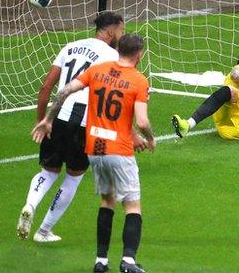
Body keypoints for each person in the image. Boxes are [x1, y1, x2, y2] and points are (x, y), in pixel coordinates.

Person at [32, 34, 155, 273]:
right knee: (132, 206)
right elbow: (141, 121)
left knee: (107, 202)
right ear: (138, 54)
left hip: (95, 148)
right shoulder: (139, 80)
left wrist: (48, 119)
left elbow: (64, 90)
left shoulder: (97, 70)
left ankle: (101, 261)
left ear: (118, 49)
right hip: (119, 150)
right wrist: (150, 138)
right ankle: (128, 261)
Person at [17, 11, 123, 242]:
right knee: (73, 176)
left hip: (57, 116)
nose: (121, 35)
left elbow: (45, 87)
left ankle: (30, 204)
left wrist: (42, 120)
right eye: (121, 30)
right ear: (112, 30)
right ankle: (43, 231)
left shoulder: (70, 47)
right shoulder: (112, 56)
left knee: (48, 170)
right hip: (83, 122)